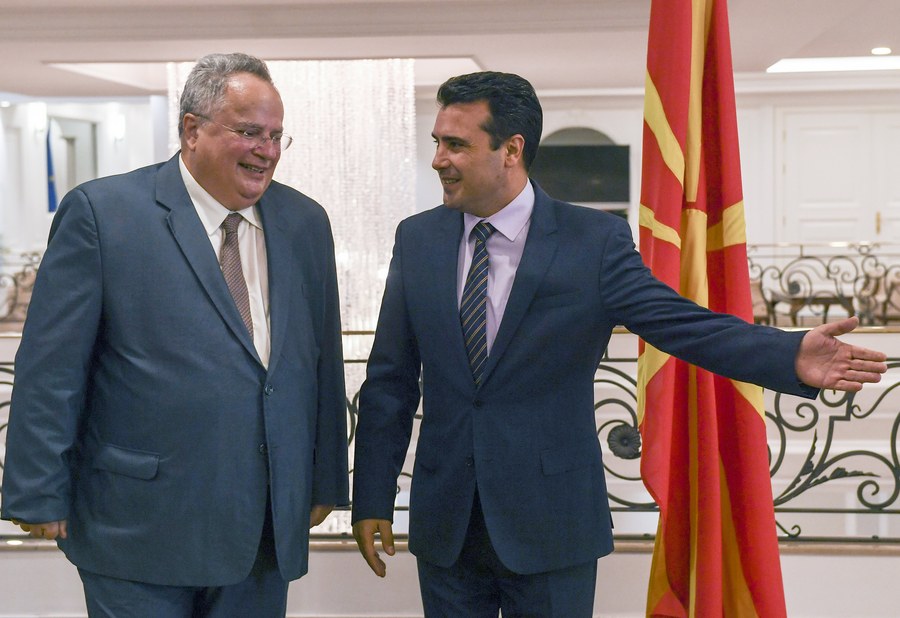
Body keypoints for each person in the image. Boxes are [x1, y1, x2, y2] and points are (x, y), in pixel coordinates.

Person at [350, 71, 887, 617]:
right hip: (447, 523)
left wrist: (786, 353)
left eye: (456, 144)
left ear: (511, 149)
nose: (439, 158)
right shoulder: (416, 239)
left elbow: (680, 323)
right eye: (437, 143)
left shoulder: (593, 241)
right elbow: (391, 378)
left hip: (553, 522)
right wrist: (372, 497)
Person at [0, 52, 348, 616]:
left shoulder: (306, 223)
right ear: (192, 129)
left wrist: (325, 479)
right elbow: (51, 368)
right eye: (249, 132)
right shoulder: (102, 214)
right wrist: (36, 492)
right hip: (137, 526)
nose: (268, 151)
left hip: (262, 527)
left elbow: (321, 361)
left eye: (278, 135)